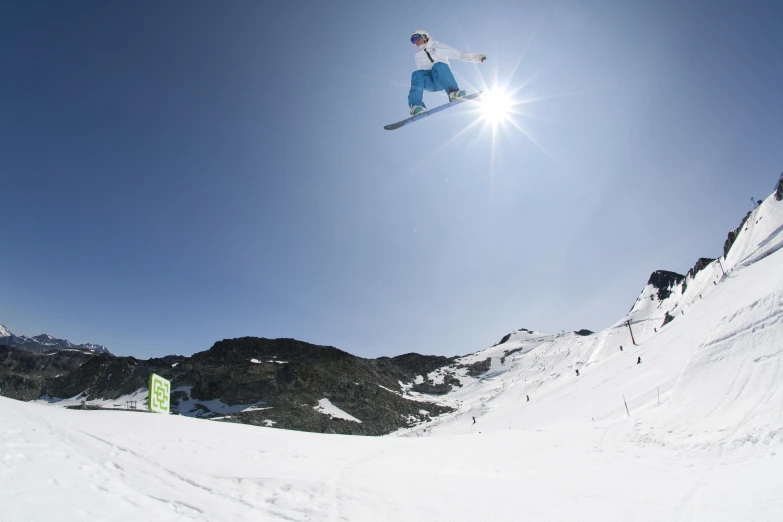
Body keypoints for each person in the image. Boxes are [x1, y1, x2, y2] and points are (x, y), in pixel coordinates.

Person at [407, 30, 486, 116]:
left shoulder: (437, 46)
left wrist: (477, 57)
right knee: (416, 74)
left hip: (441, 79)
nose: (415, 43)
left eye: (415, 39)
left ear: (424, 36)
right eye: (413, 41)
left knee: (438, 65)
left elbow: (459, 54)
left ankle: (453, 93)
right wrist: (415, 81)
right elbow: (421, 72)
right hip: (430, 83)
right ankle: (416, 106)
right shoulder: (418, 55)